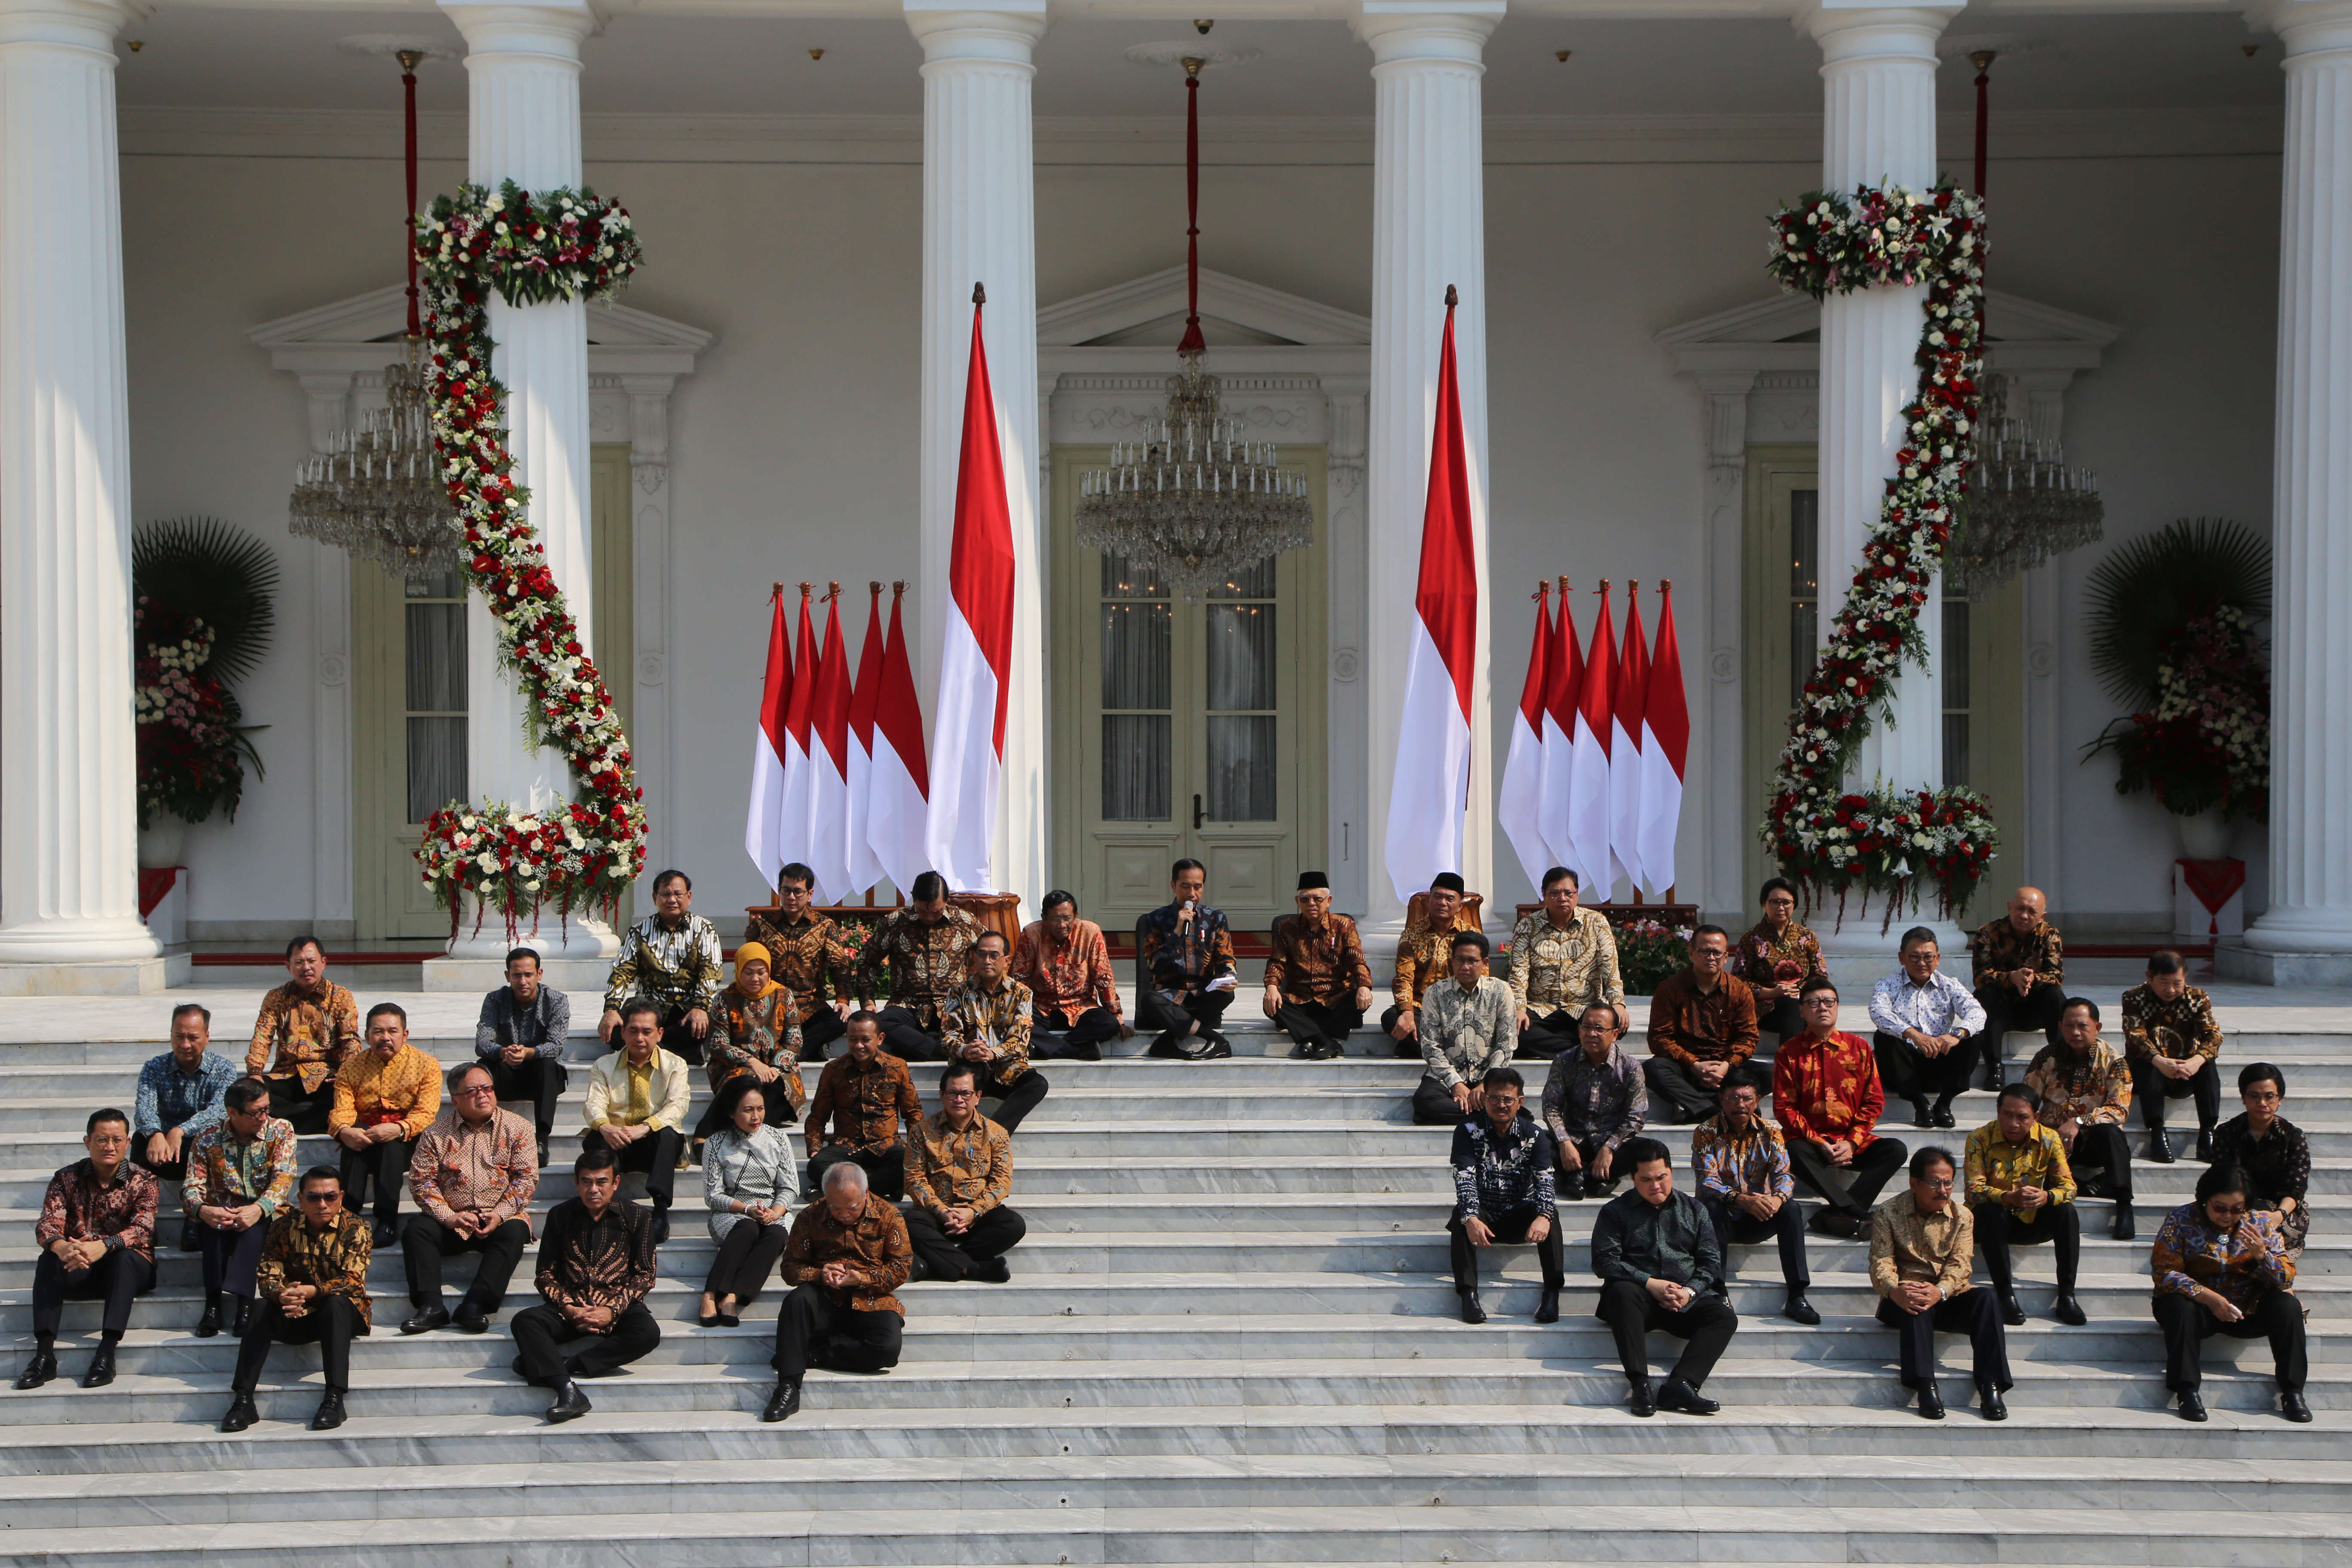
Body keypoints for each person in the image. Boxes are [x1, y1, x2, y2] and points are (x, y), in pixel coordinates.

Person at [511, 1144, 661, 1423]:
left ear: (616, 1183)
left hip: (616, 1306)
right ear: (576, 1183)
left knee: (647, 1333)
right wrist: (567, 1307)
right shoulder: (560, 1215)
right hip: (572, 1306)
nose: (594, 1189)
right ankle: (567, 1390)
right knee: (525, 1321)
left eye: (602, 1181)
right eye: (587, 1182)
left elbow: (645, 1275)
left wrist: (612, 1311)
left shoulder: (638, 1216)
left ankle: (564, 1366)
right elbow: (544, 1274)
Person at [1591, 1136, 1739, 1416]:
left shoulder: (1695, 1209)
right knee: (1621, 1291)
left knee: (1724, 1317)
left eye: (1661, 1177)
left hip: (1681, 1301)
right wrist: (1651, 1284)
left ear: (1671, 1172)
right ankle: (1640, 1384)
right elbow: (1604, 1262)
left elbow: (1711, 1262)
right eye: (1646, 1179)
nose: (1656, 1186)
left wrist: (1689, 1292)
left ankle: (1681, 1384)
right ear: (1633, 1178)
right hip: (1636, 1303)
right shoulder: (1615, 1211)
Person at [2150, 1162, 2309, 1423]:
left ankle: (2293, 1392)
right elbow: (2164, 1273)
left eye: (2237, 1209)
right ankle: (2186, 1390)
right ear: (2205, 1201)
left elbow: (2285, 1276)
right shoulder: (2180, 1220)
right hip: (2198, 1308)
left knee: (2287, 1306)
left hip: (2247, 1308)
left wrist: (2262, 1256)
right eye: (2220, 1208)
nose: (2228, 1216)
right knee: (2178, 1306)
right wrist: (2208, 1297)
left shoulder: (2259, 1222)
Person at [219, 1165, 372, 1433]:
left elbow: (353, 1282)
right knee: (259, 1307)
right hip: (295, 1314)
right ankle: (243, 1401)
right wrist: (282, 1294)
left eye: (330, 1197)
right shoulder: (283, 1227)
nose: (322, 1204)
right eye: (314, 1197)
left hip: (340, 1315)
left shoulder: (357, 1228)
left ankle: (334, 1398)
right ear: (301, 1199)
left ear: (341, 1197)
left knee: (336, 1303)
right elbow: (268, 1273)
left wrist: (313, 1292)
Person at [15, 1109, 157, 1391]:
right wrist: (63, 1247)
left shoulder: (144, 1180)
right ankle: (44, 1355)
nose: (110, 1147)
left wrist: (104, 1246)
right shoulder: (67, 1178)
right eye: (102, 1140)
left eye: (117, 1140)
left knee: (126, 1258)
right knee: (49, 1258)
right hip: (80, 1266)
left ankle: (106, 1353)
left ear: (127, 1143)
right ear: (87, 1142)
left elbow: (143, 1229)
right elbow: (47, 1225)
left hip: (128, 1270)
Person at [762, 1159, 912, 1423]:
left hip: (869, 1298)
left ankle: (814, 1356)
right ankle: (788, 1387)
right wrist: (819, 1274)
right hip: (825, 1297)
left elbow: (902, 1267)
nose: (843, 1214)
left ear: (866, 1194)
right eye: (835, 1207)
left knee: (887, 1349)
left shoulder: (889, 1215)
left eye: (852, 1207)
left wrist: (863, 1279)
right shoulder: (810, 1216)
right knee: (796, 1302)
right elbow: (790, 1267)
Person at [1869, 1146, 2010, 1422]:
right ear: (1914, 1183)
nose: (1943, 1190)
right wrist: (1894, 1290)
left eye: (1948, 1183)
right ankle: (1925, 1385)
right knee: (1914, 1297)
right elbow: (1880, 1261)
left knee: (1987, 1299)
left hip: (1946, 1296)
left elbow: (1961, 1264)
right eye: (1935, 1183)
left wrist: (1941, 1290)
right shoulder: (1889, 1212)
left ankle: (1991, 1386)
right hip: (1902, 1298)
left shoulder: (1963, 1216)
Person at [399, 1061, 537, 1334]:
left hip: (498, 1219)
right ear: (456, 1100)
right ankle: (431, 1306)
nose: (483, 1095)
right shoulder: (435, 1134)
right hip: (452, 1220)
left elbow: (526, 1178)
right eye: (473, 1091)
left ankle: (475, 1305)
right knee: (417, 1229)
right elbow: (421, 1181)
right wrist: (448, 1217)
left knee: (516, 1231)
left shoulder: (518, 1128)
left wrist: (499, 1213)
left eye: (487, 1088)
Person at [1772, 979, 1908, 1237]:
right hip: (1811, 1145)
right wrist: (1820, 1143)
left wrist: (1852, 1143)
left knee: (1896, 1150)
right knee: (1791, 1150)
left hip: (1851, 1142)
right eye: (1813, 1003)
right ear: (1801, 1010)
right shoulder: (1788, 1053)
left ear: (1837, 1007)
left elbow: (1874, 1101)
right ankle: (1855, 1211)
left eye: (1828, 1002)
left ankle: (1835, 1213)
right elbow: (1784, 1108)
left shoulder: (1860, 1048)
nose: (1822, 1008)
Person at [1690, 1080, 1815, 1324]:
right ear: (1721, 1100)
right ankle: (1717, 1290)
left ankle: (1797, 1294)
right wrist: (1740, 1198)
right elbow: (1707, 1180)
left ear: (1757, 1101)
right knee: (1710, 1207)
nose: (1740, 1105)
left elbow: (1784, 1175)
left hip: (1757, 1216)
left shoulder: (1771, 1131)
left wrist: (1777, 1199)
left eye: (1747, 1099)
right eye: (1733, 1098)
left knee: (1792, 1208)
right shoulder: (1706, 1132)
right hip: (1720, 1219)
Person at [1446, 1067, 1563, 1326]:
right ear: (1485, 1098)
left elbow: (1546, 1180)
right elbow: (1464, 1176)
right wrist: (1472, 1217)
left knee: (1550, 1213)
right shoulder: (1467, 1130)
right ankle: (1468, 1294)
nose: (1502, 1105)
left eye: (1508, 1099)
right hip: (1485, 1217)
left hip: (1520, 1215)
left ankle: (1552, 1293)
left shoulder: (1534, 1135)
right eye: (1495, 1098)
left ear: (1519, 1102)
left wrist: (1543, 1216)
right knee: (1461, 1214)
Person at [182, 1076, 296, 1338]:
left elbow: (284, 1178)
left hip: (267, 1213)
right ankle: (213, 1306)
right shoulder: (207, 1139)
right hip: (223, 1212)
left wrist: (257, 1208)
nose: (265, 1117)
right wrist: (203, 1210)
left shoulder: (281, 1131)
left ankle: (245, 1305)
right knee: (212, 1225)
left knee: (254, 1226)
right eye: (257, 1112)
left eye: (268, 1109)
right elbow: (191, 1187)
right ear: (233, 1113)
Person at [1964, 1083, 2085, 1327]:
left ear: (2036, 1117)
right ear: (1998, 1111)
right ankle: (2005, 1294)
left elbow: (2070, 1188)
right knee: (1989, 1211)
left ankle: (2067, 1295)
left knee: (2066, 1211)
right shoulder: (1979, 1138)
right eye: (2007, 1115)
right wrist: (2006, 1197)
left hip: (2033, 1219)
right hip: (1994, 1223)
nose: (2013, 1124)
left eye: (2022, 1117)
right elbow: (1973, 1189)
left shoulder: (2049, 1139)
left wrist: (2047, 1197)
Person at [2023, 997, 2136, 1241]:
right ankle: (2083, 1187)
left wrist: (2080, 1122)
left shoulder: (2113, 1061)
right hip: (2054, 1143)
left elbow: (2120, 1109)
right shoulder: (2046, 1057)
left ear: (2098, 1028)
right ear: (2060, 1027)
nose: (2075, 1032)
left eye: (2083, 1026)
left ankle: (2124, 1204)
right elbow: (2027, 1099)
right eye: (2069, 1026)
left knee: (2112, 1132)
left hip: (2091, 1141)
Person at [329, 1001, 442, 1245]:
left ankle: (388, 1220)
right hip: (367, 1136)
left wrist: (399, 1128)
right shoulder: (350, 1068)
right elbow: (342, 1110)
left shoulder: (427, 1065)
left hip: (407, 1140)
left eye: (393, 1031)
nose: (385, 1038)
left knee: (392, 1144)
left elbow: (426, 1113)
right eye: (378, 1032)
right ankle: (348, 1216)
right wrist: (344, 1130)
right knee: (353, 1135)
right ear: (367, 1035)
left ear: (405, 1034)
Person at [905, 1059, 1027, 1283]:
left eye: (965, 1093)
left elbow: (1001, 1181)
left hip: (978, 1216)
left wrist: (973, 1212)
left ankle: (936, 1266)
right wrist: (942, 1211)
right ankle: (974, 1269)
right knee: (909, 1221)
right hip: (937, 1213)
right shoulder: (921, 1131)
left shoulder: (996, 1133)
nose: (958, 1099)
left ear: (978, 1096)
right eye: (952, 1093)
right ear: (942, 1095)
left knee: (1013, 1225)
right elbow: (914, 1179)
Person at [582, 998, 692, 1243]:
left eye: (647, 1031)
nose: (639, 1038)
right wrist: (607, 1127)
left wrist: (645, 1128)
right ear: (622, 1032)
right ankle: (604, 1209)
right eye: (633, 1031)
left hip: (652, 1141)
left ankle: (661, 1213)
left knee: (668, 1133)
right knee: (594, 1136)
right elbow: (593, 1104)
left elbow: (678, 1105)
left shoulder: (676, 1065)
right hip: (617, 1140)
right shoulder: (604, 1065)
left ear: (660, 1033)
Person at [699, 1074, 801, 1327]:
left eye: (760, 1109)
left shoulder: (779, 1139)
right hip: (732, 1212)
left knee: (777, 1235)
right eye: (748, 1110)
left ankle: (733, 1297)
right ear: (732, 1112)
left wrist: (775, 1213)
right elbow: (713, 1196)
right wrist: (746, 1209)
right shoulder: (715, 1143)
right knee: (747, 1227)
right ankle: (710, 1295)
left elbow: (790, 1188)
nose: (756, 1117)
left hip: (772, 1211)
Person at [599, 868, 723, 1065]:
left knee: (695, 1028)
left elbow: (710, 971)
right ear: (655, 897)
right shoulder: (639, 931)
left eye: (677, 894)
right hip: (648, 1006)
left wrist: (700, 1007)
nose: (671, 899)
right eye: (665, 894)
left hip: (687, 1008)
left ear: (689, 897)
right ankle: (673, 1053)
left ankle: (643, 1050)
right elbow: (622, 970)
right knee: (615, 1031)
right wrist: (611, 1008)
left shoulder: (704, 929)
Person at [1643, 925, 1766, 1124]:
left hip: (1725, 1071)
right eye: (1704, 951)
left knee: (1770, 1073)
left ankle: (1691, 1107)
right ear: (1692, 953)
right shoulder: (1670, 988)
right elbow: (1659, 1038)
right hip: (1685, 1068)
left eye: (1717, 952)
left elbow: (1748, 1037)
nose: (1711, 957)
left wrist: (1726, 1066)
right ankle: (1715, 1110)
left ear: (1726, 957)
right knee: (1653, 1068)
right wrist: (1693, 1064)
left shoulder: (1740, 991)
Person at [692, 940, 806, 1150]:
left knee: (777, 1086)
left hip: (777, 1068)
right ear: (738, 971)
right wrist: (752, 1062)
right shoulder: (725, 999)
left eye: (761, 972)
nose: (755, 978)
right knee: (744, 1084)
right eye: (748, 972)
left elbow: (795, 1040)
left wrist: (774, 1068)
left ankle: (730, 1141)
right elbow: (719, 1044)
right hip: (736, 1068)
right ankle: (707, 1136)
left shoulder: (783, 995)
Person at [1868, 926, 1986, 1130]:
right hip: (1904, 1068)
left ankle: (1944, 1105)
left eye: (1928, 957)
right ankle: (1920, 1104)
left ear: (1938, 958)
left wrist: (1956, 1035)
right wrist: (1913, 1035)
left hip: (1939, 1061)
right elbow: (1878, 1012)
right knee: (1884, 1036)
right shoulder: (1888, 985)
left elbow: (1977, 1012)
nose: (1922, 963)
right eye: (1914, 957)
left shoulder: (1950, 985)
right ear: (1902, 958)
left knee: (1972, 1036)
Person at [804, 1010, 924, 1202]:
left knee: (910, 1164)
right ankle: (882, 1187)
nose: (859, 1046)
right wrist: (814, 1147)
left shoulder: (897, 1067)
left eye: (865, 1040)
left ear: (880, 1039)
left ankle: (845, 1190)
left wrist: (917, 1147)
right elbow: (818, 1115)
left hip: (886, 1145)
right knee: (817, 1166)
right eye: (853, 1039)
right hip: (846, 1146)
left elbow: (913, 1112)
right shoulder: (833, 1070)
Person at [244, 935, 359, 1134]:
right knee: (246, 1092)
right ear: (288, 966)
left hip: (326, 1075)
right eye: (299, 962)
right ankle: (311, 1121)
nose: (306, 967)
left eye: (311, 961)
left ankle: (290, 1123)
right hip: (287, 1074)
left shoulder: (340, 996)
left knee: (346, 1092)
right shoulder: (276, 998)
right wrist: (255, 1072)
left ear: (323, 963)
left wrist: (346, 1070)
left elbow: (350, 1038)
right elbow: (263, 1036)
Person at [1507, 867, 1624, 1059]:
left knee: (1611, 1023)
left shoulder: (1596, 922)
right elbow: (1518, 974)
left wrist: (1618, 1003)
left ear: (1577, 894)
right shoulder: (1527, 926)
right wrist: (1519, 1009)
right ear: (1544, 894)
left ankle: (1566, 1046)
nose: (1563, 898)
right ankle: (1581, 1050)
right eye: (1555, 893)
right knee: (1514, 1028)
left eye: (1568, 893)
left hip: (1584, 1009)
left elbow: (1610, 967)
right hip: (1540, 1009)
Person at [941, 930, 1050, 1133]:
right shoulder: (958, 992)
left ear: (1006, 961)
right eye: (982, 954)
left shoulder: (1022, 994)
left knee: (1038, 1084)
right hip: (972, 1068)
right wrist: (965, 1050)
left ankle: (994, 1135)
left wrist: (993, 1053)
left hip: (1008, 1069)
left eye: (994, 955)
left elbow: (1020, 1040)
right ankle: (954, 1133)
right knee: (956, 1081)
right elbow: (948, 1037)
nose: (987, 960)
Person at [2121, 950, 2223, 1164]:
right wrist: (2160, 1061)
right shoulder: (2134, 998)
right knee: (2145, 1064)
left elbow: (2213, 1035)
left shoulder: (2197, 998)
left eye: (2177, 983)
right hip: (2148, 1073)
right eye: (2163, 982)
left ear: (2185, 976)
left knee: (2208, 1064)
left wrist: (2196, 1061)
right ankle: (2158, 1133)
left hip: (2184, 1071)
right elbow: (2135, 1037)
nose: (2170, 990)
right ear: (2149, 977)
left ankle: (2208, 1134)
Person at [752, 861, 859, 1059]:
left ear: (809, 894)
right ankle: (808, 1049)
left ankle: (791, 1052)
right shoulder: (763, 926)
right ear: (779, 891)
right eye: (786, 891)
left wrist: (843, 1000)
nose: (791, 897)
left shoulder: (823, 926)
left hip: (811, 1006)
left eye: (798, 892)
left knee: (841, 1021)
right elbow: (750, 966)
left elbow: (840, 966)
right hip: (773, 1004)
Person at [1539, 1001, 1646, 1199]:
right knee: (1535, 1142)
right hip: (1574, 1140)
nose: (1592, 1033)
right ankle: (1596, 1180)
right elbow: (1551, 1107)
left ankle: (1578, 1178)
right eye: (1586, 1027)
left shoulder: (1630, 1067)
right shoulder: (1563, 1061)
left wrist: (1610, 1148)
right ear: (1579, 1030)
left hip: (1610, 1142)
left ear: (1614, 1034)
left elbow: (1636, 1117)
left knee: (1650, 1151)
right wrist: (1564, 1143)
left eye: (1599, 1028)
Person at [1262, 872, 1373, 1061]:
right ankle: (1327, 1042)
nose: (1311, 903)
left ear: (1328, 901)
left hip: (1335, 997)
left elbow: (1357, 960)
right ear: (1298, 901)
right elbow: (1277, 962)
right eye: (1305, 899)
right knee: (1273, 1005)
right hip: (1301, 999)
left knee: (1357, 999)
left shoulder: (1344, 925)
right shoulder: (1286, 927)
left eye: (1317, 899)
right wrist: (1271, 987)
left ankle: (1309, 1040)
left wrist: (1364, 986)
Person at [474, 946, 569, 1167]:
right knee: (483, 1065)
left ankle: (542, 1141)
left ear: (539, 974)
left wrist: (529, 1053)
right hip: (507, 1073)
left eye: (528, 975)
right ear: (508, 976)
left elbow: (556, 1046)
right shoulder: (495, 1000)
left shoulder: (556, 1000)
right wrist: (502, 1052)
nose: (523, 981)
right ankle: (482, 1134)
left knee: (548, 1064)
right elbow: (482, 1043)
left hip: (542, 1078)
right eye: (517, 975)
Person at [1135, 858, 1239, 1061]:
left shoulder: (1215, 918)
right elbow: (1154, 966)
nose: (1192, 894)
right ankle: (1214, 1039)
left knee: (1226, 995)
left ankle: (1166, 1042)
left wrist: (1229, 975)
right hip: (1170, 995)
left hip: (1202, 993)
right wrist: (1176, 932)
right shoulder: (1154, 920)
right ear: (1173, 886)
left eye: (1197, 887)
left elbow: (1225, 956)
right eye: (1185, 886)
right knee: (1150, 1000)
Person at [1412, 931, 1517, 1127]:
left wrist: (1486, 1085)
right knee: (1424, 1100)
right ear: (1452, 962)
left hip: (1488, 1075)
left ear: (1485, 963)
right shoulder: (1435, 993)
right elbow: (1430, 1046)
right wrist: (1456, 1084)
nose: (1465, 967)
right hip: (1446, 1076)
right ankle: (1489, 1118)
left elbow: (1506, 1044)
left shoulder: (1501, 991)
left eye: (1472, 961)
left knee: (1510, 1100)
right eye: (1459, 960)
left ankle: (1460, 1115)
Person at [1012, 890, 1131, 1061]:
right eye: (1055, 919)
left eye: (1067, 919)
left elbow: (1103, 976)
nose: (1062, 925)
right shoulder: (1032, 934)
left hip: (1080, 1006)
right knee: (1013, 1021)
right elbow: (1019, 979)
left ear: (1076, 916)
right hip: (1041, 1006)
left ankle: (1048, 1048)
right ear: (1044, 919)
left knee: (1108, 1024)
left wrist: (1117, 1016)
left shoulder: (1090, 932)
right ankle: (1074, 1051)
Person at [132, 1002, 239, 1189]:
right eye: (179, 1036)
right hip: (163, 1150)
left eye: (193, 1038)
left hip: (201, 1146)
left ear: (207, 1037)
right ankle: (138, 1196)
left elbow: (220, 1110)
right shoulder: (154, 1068)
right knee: (142, 1137)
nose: (185, 1044)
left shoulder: (224, 1069)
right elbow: (144, 1107)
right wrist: (155, 1133)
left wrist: (181, 1131)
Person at [1968, 886, 2066, 1090]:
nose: (2024, 915)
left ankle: (2062, 1063)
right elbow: (1980, 977)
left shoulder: (2050, 935)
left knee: (2055, 995)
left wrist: (2032, 979)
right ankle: (1994, 1067)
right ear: (2009, 907)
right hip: (1999, 1011)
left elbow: (2056, 975)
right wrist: (2011, 978)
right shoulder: (1987, 933)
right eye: (2020, 909)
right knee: (1985, 994)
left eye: (2032, 912)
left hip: (2033, 1008)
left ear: (2042, 916)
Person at [2209, 1062, 2309, 1257]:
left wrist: (2277, 1216)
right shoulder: (2227, 1133)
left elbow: (2296, 1189)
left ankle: (2279, 1275)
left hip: (2282, 1208)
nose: (2262, 1103)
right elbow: (2223, 1180)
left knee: (2281, 1229)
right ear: (2243, 1099)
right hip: (2236, 1205)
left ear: (2279, 1099)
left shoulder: (2293, 1137)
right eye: (2254, 1096)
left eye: (2269, 1097)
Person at [1384, 872, 1481, 1059]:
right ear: (1429, 900)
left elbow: (1480, 979)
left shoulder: (1472, 936)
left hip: (1460, 1008)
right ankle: (1450, 1052)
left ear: (1460, 905)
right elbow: (1403, 978)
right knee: (1390, 1017)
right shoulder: (1411, 935)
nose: (1442, 902)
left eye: (1449, 898)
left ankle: (1417, 1049)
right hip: (1422, 1008)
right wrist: (1407, 1012)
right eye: (1437, 896)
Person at [1733, 877, 1824, 1044]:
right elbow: (1738, 980)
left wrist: (1800, 991)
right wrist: (1771, 993)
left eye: (1786, 902)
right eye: (1775, 902)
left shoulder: (1807, 937)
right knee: (1794, 1008)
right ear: (1764, 904)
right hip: (1764, 1008)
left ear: (1794, 905)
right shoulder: (1752, 938)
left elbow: (1820, 976)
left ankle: (1792, 1062)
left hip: (1801, 1001)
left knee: (1804, 1007)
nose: (1781, 908)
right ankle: (1790, 1062)